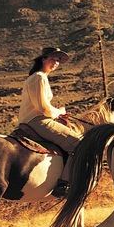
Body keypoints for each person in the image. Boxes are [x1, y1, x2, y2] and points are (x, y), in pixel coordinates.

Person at [17, 47, 80, 197]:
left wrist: (58, 112)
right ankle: (64, 184)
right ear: (43, 59)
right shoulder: (39, 77)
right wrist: (60, 112)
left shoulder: (38, 77)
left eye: (58, 60)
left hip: (35, 119)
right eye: (53, 59)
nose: (56, 63)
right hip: (37, 120)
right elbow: (42, 107)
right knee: (79, 143)